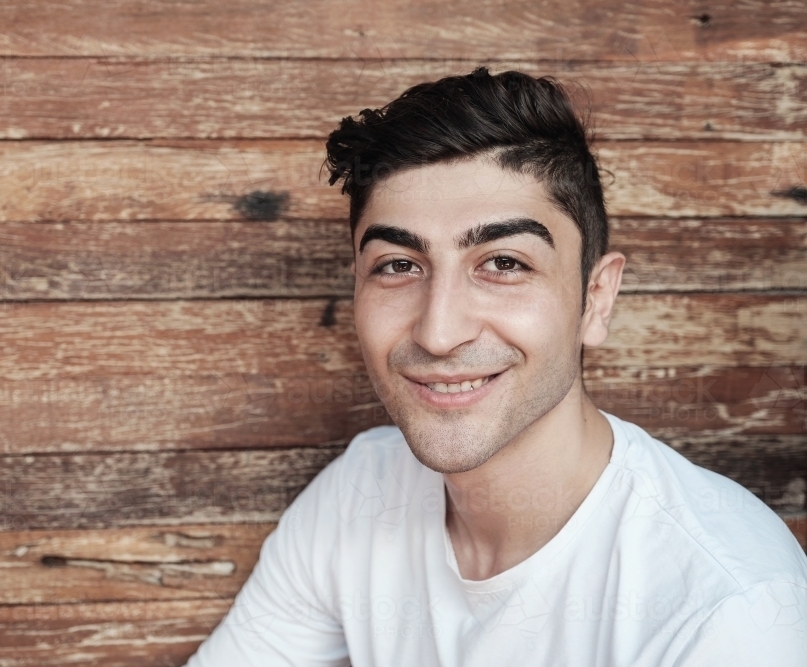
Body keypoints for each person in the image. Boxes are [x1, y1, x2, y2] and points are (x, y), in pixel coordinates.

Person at [184, 67, 807, 665]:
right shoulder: (361, 493)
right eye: (398, 266)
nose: (439, 330)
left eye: (504, 263)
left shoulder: (730, 609)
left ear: (596, 298)